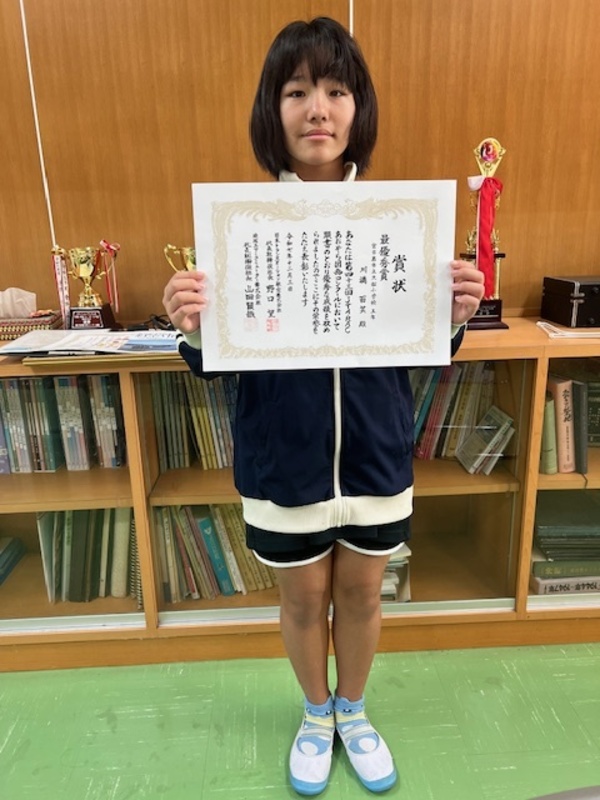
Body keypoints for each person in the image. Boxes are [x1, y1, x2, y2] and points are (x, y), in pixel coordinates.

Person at [162, 16, 484, 796]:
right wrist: (191, 324)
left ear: (357, 108)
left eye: (337, 90)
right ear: (272, 110)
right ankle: (316, 714)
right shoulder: (238, 228)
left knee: (365, 591)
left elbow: (422, 346)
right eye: (297, 90)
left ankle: (354, 709)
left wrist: (453, 316)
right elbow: (211, 361)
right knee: (303, 596)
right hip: (285, 453)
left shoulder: (400, 225)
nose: (318, 108)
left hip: (374, 448)